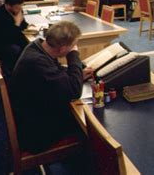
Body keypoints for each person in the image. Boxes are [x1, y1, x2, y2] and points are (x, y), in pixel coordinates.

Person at [9, 21, 93, 153]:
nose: (74, 47)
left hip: (33, 114)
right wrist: (73, 55)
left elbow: (56, 72)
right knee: (88, 127)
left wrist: (78, 75)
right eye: (73, 45)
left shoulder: (37, 47)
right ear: (62, 49)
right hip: (36, 133)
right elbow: (74, 91)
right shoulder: (37, 62)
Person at [0, 0, 29, 76]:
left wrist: (25, 24)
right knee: (21, 49)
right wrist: (17, 23)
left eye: (21, 6)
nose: (20, 9)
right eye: (17, 7)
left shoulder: (15, 11)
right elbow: (9, 38)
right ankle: (17, 72)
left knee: (30, 45)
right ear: (8, 5)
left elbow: (23, 25)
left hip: (11, 39)